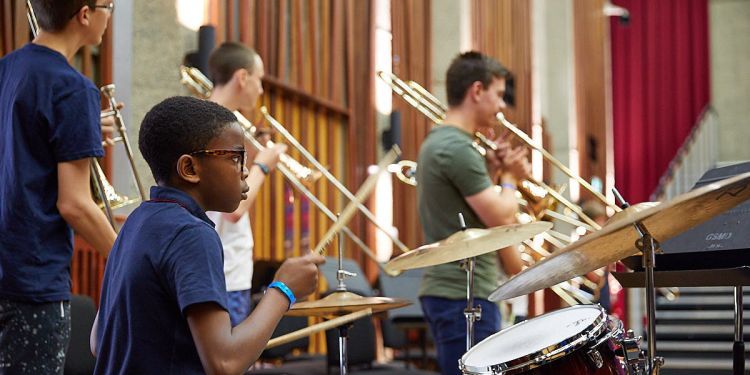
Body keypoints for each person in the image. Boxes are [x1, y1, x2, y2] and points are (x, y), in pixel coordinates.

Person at [90, 96, 324, 374]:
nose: (246, 171)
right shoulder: (191, 234)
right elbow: (224, 363)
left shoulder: (137, 222)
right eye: (236, 157)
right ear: (189, 169)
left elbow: (98, 341)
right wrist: (283, 289)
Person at [0, 1, 117, 373]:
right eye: (108, 6)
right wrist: (125, 255)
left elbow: (19, 146)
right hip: (32, 280)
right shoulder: (72, 87)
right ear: (84, 14)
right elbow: (75, 204)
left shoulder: (7, 68)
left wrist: (82, 131)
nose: (109, 15)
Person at [415, 51, 530, 375]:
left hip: (458, 292)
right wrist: (510, 179)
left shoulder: (447, 142)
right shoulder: (456, 147)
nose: (502, 105)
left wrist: (492, 172)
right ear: (477, 91)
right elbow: (501, 217)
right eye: (498, 94)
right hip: (462, 296)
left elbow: (469, 215)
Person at [206, 42, 286, 326]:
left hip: (216, 266)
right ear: (242, 77)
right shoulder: (221, 128)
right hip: (226, 270)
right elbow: (233, 208)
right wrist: (263, 165)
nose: (261, 89)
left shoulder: (207, 121)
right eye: (259, 79)